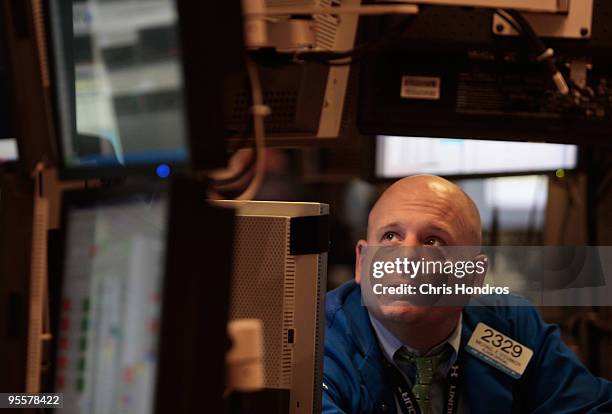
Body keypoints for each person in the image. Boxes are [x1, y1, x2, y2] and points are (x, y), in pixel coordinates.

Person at [323, 175, 612, 414]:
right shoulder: (316, 340)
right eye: (390, 236)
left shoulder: (510, 326)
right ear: (362, 262)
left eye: (433, 241)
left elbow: (590, 407)